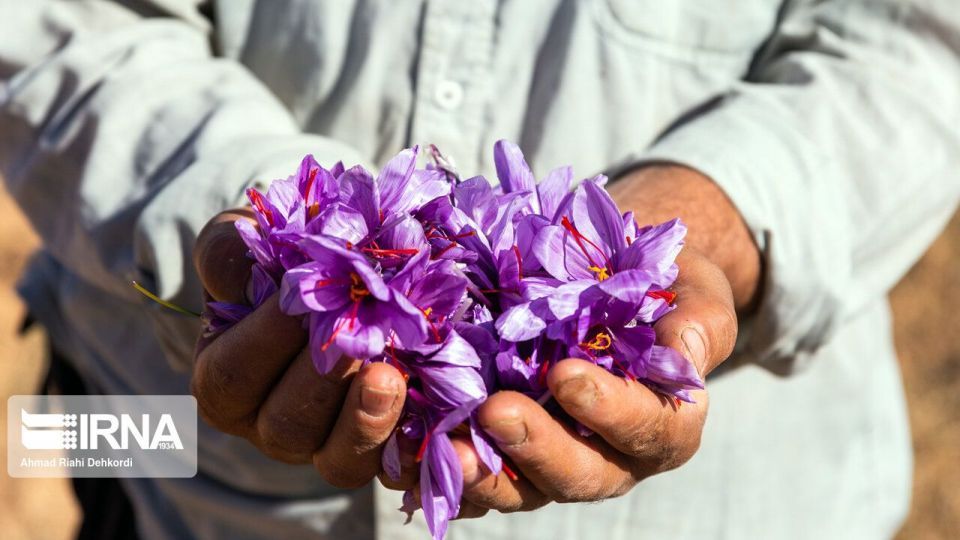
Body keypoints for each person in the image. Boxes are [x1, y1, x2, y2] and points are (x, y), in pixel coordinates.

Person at [2, 1, 958, 539]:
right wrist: (254, 223)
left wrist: (712, 219)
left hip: (743, 506)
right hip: (167, 465)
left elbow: (917, 50)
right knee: (56, 453)